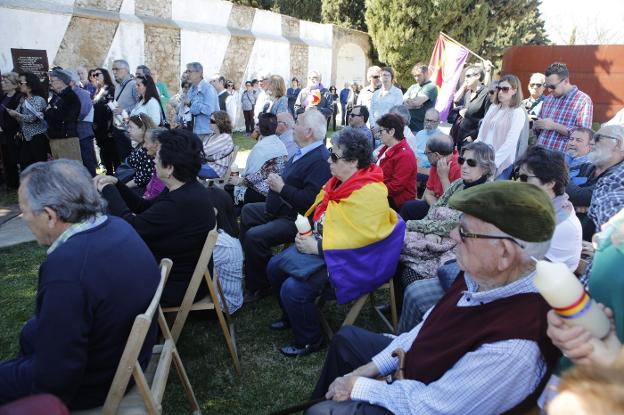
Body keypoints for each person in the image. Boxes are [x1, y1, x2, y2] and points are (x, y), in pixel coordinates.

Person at [305, 180, 561, 415]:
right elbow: (429, 325)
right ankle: (324, 402)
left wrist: (358, 387)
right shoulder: (482, 273)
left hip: (425, 403)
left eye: (464, 231)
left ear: (504, 253)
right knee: (347, 340)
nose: (452, 236)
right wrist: (370, 368)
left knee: (323, 413)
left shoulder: (514, 349)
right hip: (418, 372)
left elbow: (433, 408)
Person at [0, 159, 160, 409]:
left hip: (97, 383)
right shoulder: (117, 226)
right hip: (126, 359)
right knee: (31, 332)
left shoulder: (67, 269)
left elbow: (53, 380)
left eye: (25, 211)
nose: (24, 219)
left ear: (50, 215)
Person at [267, 128, 405, 356]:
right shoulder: (338, 182)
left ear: (353, 162)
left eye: (334, 155)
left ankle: (311, 340)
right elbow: (329, 220)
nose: (328, 159)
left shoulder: (369, 193)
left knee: (293, 289)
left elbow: (363, 243)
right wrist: (308, 234)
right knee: (274, 267)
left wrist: (318, 247)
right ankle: (292, 316)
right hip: (326, 246)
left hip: (353, 261)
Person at [96, 128, 216, 307]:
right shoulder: (185, 187)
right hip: (180, 275)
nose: (153, 160)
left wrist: (107, 190)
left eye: (157, 157)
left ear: (169, 168)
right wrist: (117, 185)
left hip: (176, 285)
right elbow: (143, 207)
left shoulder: (180, 202)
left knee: (106, 286)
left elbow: (131, 227)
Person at [398, 142, 496, 332]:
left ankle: (420, 323)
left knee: (411, 270)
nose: (464, 166)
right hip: (439, 234)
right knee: (397, 253)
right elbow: (436, 208)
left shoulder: (485, 195)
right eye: (462, 160)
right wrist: (429, 229)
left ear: (485, 168)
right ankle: (401, 308)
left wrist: (410, 225)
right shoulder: (460, 183)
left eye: (471, 163)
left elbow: (454, 225)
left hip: (460, 245)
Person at [240, 109, 331, 303]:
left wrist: (281, 188)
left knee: (254, 237)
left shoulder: (320, 160)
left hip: (297, 220)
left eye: (297, 123)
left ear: (308, 132)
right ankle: (253, 265)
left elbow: (310, 201)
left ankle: (260, 286)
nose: (293, 127)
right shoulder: (304, 152)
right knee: (248, 211)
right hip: (283, 208)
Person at [514, 146, 582, 271]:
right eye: (517, 175)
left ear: (550, 183)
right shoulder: (535, 207)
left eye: (524, 178)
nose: (518, 182)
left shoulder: (562, 224)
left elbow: (527, 272)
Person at [567, 125, 624, 240]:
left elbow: (581, 196)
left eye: (598, 138)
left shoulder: (619, 176)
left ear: (617, 143)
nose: (592, 142)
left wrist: (562, 175)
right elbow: (555, 182)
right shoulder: (588, 167)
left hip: (595, 247)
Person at [475, 74, 528, 179]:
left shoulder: (518, 112)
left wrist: (494, 163)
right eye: (499, 88)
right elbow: (481, 134)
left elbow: (511, 142)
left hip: (502, 163)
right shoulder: (493, 107)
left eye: (505, 89)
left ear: (514, 91)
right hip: (482, 158)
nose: (500, 92)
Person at [400, 133, 461, 221]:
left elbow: (452, 204)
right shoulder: (436, 162)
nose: (426, 155)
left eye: (426, 153)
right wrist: (435, 206)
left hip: (450, 214)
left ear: (436, 155)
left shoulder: (459, 168)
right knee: (408, 206)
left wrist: (444, 178)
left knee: (408, 208)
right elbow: (428, 193)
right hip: (435, 206)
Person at [535, 62, 593, 153]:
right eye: (546, 86)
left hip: (560, 161)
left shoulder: (583, 100)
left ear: (565, 81)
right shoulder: (548, 99)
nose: (549, 90)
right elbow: (538, 129)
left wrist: (554, 126)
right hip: (538, 156)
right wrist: (538, 125)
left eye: (552, 86)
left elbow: (584, 136)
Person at [231, 112, 288, 205]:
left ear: (259, 128)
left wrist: (238, 180)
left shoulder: (260, 147)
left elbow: (251, 175)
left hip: (261, 193)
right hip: (277, 190)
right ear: (275, 127)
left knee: (231, 187)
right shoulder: (281, 144)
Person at [205, 186, 244, 314]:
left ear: (213, 211)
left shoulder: (219, 242)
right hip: (228, 299)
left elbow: (196, 268)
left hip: (221, 306)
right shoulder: (227, 232)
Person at [374, 113, 417, 210]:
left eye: (381, 131)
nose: (379, 134)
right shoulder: (387, 148)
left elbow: (396, 187)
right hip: (383, 194)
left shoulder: (405, 155)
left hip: (396, 201)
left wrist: (373, 190)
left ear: (392, 131)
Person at [6, 73, 48, 169]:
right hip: (26, 137)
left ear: (30, 84)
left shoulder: (39, 99)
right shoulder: (23, 99)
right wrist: (13, 113)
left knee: (40, 166)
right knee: (25, 164)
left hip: (38, 137)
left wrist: (17, 114)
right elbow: (18, 115)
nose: (19, 85)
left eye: (21, 82)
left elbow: (32, 118)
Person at [451, 65, 490, 147]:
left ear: (477, 76)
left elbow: (488, 120)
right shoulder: (468, 93)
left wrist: (473, 136)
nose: (465, 79)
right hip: (460, 136)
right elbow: (456, 100)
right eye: (465, 76)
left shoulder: (487, 94)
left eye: (468, 76)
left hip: (473, 142)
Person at [67, 70, 97, 176]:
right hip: (73, 133)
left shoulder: (83, 94)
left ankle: (93, 185)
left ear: (71, 82)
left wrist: (65, 118)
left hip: (83, 133)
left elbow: (82, 112)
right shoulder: (67, 94)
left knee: (87, 160)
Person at [111, 59, 140, 161]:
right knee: (122, 157)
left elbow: (139, 104)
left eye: (117, 69)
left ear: (126, 70)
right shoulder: (118, 86)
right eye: (113, 69)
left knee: (130, 157)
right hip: (118, 127)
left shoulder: (133, 85)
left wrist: (124, 110)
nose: (114, 72)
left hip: (129, 129)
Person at [46, 69, 80, 151]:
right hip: (56, 135)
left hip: (66, 137)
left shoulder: (70, 96)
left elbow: (67, 116)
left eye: (52, 80)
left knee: (68, 163)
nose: (50, 83)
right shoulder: (57, 95)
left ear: (61, 81)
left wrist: (50, 111)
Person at [92, 68, 117, 174]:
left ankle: (119, 180)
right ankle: (109, 175)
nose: (95, 77)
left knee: (113, 155)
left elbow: (113, 110)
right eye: (94, 75)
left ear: (105, 75)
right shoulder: (98, 90)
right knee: (105, 155)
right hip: (99, 129)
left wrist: (111, 128)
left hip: (108, 129)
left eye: (98, 74)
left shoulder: (111, 89)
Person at [122, 114, 157, 192]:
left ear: (142, 129)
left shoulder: (147, 150)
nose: (128, 130)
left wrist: (121, 188)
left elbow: (141, 179)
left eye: (131, 127)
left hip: (139, 190)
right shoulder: (141, 145)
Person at [0, 72, 23, 189]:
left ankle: (19, 185)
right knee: (7, 159)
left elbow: (18, 117)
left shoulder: (18, 97)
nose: (2, 83)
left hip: (14, 133)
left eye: (6, 82)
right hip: (4, 134)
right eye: (3, 81)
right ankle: (11, 185)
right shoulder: (3, 96)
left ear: (14, 85)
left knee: (15, 159)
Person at [185, 62, 219, 139]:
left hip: (206, 131)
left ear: (199, 73)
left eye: (189, 71)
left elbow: (209, 109)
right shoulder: (191, 89)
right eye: (187, 71)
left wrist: (191, 104)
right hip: (193, 129)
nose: (187, 74)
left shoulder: (207, 88)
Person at [198, 110, 235, 179]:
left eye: (212, 121)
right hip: (208, 165)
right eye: (210, 120)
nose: (209, 123)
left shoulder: (225, 137)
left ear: (219, 123)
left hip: (216, 169)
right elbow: (201, 150)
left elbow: (204, 150)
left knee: (186, 167)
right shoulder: (212, 135)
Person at [403, 63, 438, 133]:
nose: (416, 78)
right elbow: (403, 100)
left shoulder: (431, 87)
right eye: (415, 76)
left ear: (426, 73)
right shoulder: (413, 86)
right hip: (409, 128)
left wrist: (411, 103)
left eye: (419, 75)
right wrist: (414, 105)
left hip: (422, 129)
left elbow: (417, 102)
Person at [407, 108, 440, 178]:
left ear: (438, 122)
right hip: (414, 165)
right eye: (427, 120)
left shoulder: (441, 138)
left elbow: (436, 161)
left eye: (432, 121)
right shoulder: (420, 133)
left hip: (427, 170)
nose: (428, 123)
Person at [142, 127, 167, 199]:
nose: (144, 146)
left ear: (156, 144)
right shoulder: (157, 162)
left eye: (146, 142)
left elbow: (156, 194)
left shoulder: (163, 167)